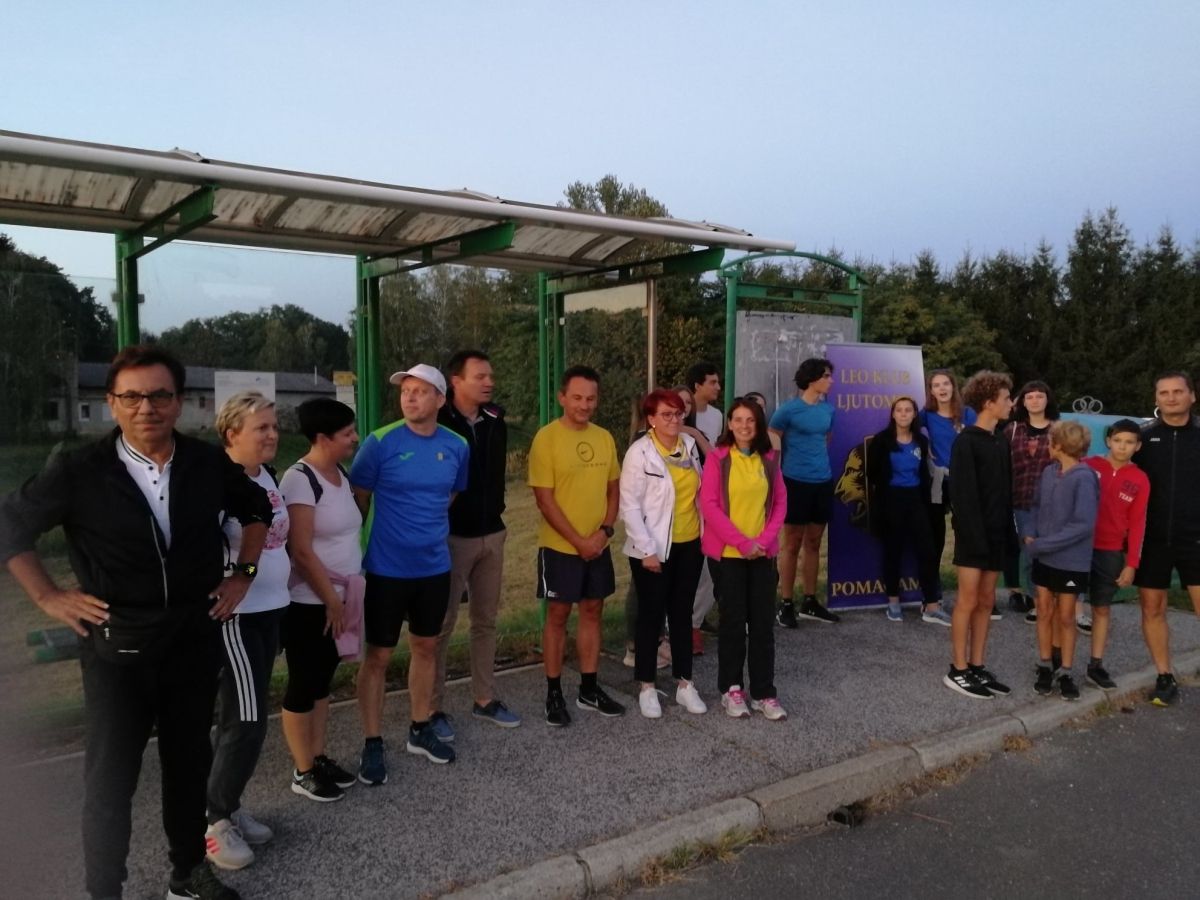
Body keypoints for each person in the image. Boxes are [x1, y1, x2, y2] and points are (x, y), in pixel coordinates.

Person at [0, 345, 271, 900]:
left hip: (192, 639)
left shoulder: (205, 462)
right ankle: (105, 890)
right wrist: (48, 595)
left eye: (159, 395)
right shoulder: (79, 470)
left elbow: (257, 509)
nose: (146, 407)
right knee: (110, 780)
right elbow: (10, 527)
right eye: (131, 396)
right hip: (116, 647)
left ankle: (188, 874)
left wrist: (242, 575)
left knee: (188, 764)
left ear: (178, 401)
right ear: (112, 403)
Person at [350, 364, 469, 783]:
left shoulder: (457, 445)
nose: (410, 397)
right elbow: (359, 498)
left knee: (426, 647)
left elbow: (450, 494)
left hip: (434, 568)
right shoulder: (380, 442)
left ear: (440, 399)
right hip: (385, 569)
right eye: (406, 391)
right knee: (378, 656)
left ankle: (420, 728)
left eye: (420, 391)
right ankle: (372, 742)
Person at [204, 392, 293, 870]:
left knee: (239, 717)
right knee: (248, 719)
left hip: (271, 610)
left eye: (274, 426)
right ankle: (214, 820)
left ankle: (228, 804)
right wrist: (238, 580)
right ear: (231, 433)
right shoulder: (218, 483)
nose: (272, 434)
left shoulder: (265, 477)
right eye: (261, 427)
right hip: (236, 616)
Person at [430, 350, 521, 741]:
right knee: (441, 625)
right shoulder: (438, 421)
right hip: (451, 537)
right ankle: (431, 709)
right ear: (456, 381)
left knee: (485, 621)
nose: (489, 382)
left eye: (491, 376)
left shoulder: (495, 420)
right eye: (480, 376)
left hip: (492, 533)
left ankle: (484, 698)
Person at [528, 365, 625, 725]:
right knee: (557, 615)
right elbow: (544, 500)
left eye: (591, 399)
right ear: (562, 398)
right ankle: (553, 693)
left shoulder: (604, 437)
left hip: (598, 545)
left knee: (592, 610)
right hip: (560, 547)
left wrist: (604, 532)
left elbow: (613, 490)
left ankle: (589, 688)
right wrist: (578, 541)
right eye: (578, 398)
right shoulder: (546, 439)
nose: (584, 405)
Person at [278, 398, 363, 803]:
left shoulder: (340, 473)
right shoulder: (299, 479)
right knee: (303, 682)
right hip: (309, 603)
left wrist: (342, 599)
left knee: (322, 682)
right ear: (322, 437)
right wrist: (331, 600)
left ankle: (318, 756)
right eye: (347, 433)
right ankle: (303, 770)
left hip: (341, 597)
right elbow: (301, 550)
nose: (355, 438)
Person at [700, 398, 788, 720]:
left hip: (762, 554)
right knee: (733, 623)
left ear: (759, 424)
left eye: (750, 420)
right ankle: (731, 689)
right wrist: (742, 543)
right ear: (729, 424)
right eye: (738, 419)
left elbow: (780, 503)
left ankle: (764, 692)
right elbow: (709, 505)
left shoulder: (769, 458)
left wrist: (761, 542)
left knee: (763, 625)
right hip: (729, 555)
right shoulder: (718, 458)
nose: (744, 426)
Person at [620, 389, 706, 718]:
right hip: (653, 549)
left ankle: (685, 684)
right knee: (651, 615)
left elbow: (699, 491)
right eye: (666, 414)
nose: (674, 420)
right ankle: (646, 686)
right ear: (651, 419)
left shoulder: (689, 446)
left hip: (690, 544)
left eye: (678, 413)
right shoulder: (639, 453)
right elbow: (629, 506)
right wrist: (646, 550)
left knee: (682, 614)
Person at [943, 371, 1015, 700]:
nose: (1011, 404)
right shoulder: (966, 442)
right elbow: (963, 496)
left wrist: (1007, 534)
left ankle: (977, 664)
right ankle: (957, 669)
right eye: (1006, 398)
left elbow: (1005, 492)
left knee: (987, 601)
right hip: (974, 537)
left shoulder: (1001, 440)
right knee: (968, 601)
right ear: (988, 403)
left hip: (998, 534)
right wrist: (976, 537)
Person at [1132, 371, 1200, 707]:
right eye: (1164, 393)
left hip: (1195, 539)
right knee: (1152, 608)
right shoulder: (1143, 439)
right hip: (1153, 540)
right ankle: (1164, 676)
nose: (1171, 398)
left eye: (1178, 391)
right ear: (1156, 398)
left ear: (1192, 396)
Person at [1022, 420, 1100, 701]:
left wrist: (1042, 544)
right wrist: (1030, 531)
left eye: (1050, 441)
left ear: (1059, 445)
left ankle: (1066, 670)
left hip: (1070, 561)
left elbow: (1083, 524)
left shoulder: (1084, 477)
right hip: (1044, 557)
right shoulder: (1048, 472)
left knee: (1066, 617)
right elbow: (1035, 505)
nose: (1047, 445)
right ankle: (1045, 664)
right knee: (1044, 610)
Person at [769, 358, 840, 626]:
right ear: (812, 379)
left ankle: (809, 601)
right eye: (826, 376)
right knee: (792, 543)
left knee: (814, 542)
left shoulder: (829, 410)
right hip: (794, 482)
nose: (831, 380)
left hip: (822, 481)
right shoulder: (788, 410)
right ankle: (786, 603)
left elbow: (826, 438)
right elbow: (773, 437)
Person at [1080, 419, 1149, 691]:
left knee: (1101, 607)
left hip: (1110, 551)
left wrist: (1131, 563)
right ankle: (1057, 663)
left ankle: (1095, 665)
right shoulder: (1088, 466)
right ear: (1108, 441)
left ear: (1138, 446)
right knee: (1065, 607)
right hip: (1078, 547)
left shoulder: (1140, 479)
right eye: (1118, 440)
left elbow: (1138, 523)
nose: (1122, 446)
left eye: (1129, 442)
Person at [865, 397, 947, 624]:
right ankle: (893, 602)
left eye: (908, 410)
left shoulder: (921, 441)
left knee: (927, 551)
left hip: (916, 501)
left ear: (914, 415)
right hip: (891, 501)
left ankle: (931, 605)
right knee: (893, 551)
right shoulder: (882, 440)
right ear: (893, 414)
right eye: (899, 410)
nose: (903, 414)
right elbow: (872, 473)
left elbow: (925, 472)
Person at [918, 369, 974, 618]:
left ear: (953, 386)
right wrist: (925, 445)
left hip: (964, 482)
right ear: (930, 391)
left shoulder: (968, 414)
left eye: (946, 384)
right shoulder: (926, 415)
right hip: (937, 482)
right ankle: (932, 598)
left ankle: (971, 596)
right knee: (934, 539)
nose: (942, 388)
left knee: (968, 537)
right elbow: (905, 431)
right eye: (936, 385)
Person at [1003, 381, 1060, 623]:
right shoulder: (1012, 430)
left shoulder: (1059, 430)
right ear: (1023, 402)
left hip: (1052, 502)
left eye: (1039, 396)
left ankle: (1056, 599)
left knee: (1052, 552)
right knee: (1028, 554)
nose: (1035, 400)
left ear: (1048, 400)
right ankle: (1036, 602)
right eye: (1030, 397)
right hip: (1020, 501)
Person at [687, 361, 724, 446]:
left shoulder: (717, 415)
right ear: (697, 386)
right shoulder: (681, 414)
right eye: (713, 383)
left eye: (718, 383)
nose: (718, 387)